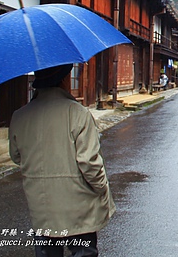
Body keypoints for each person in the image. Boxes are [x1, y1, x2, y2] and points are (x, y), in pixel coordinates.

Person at [9, 64, 115, 257]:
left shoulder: (19, 116)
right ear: (64, 79)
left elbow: (16, 156)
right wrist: (101, 189)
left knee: (47, 251)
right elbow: (90, 163)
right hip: (78, 203)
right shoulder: (78, 113)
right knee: (83, 251)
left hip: (42, 204)